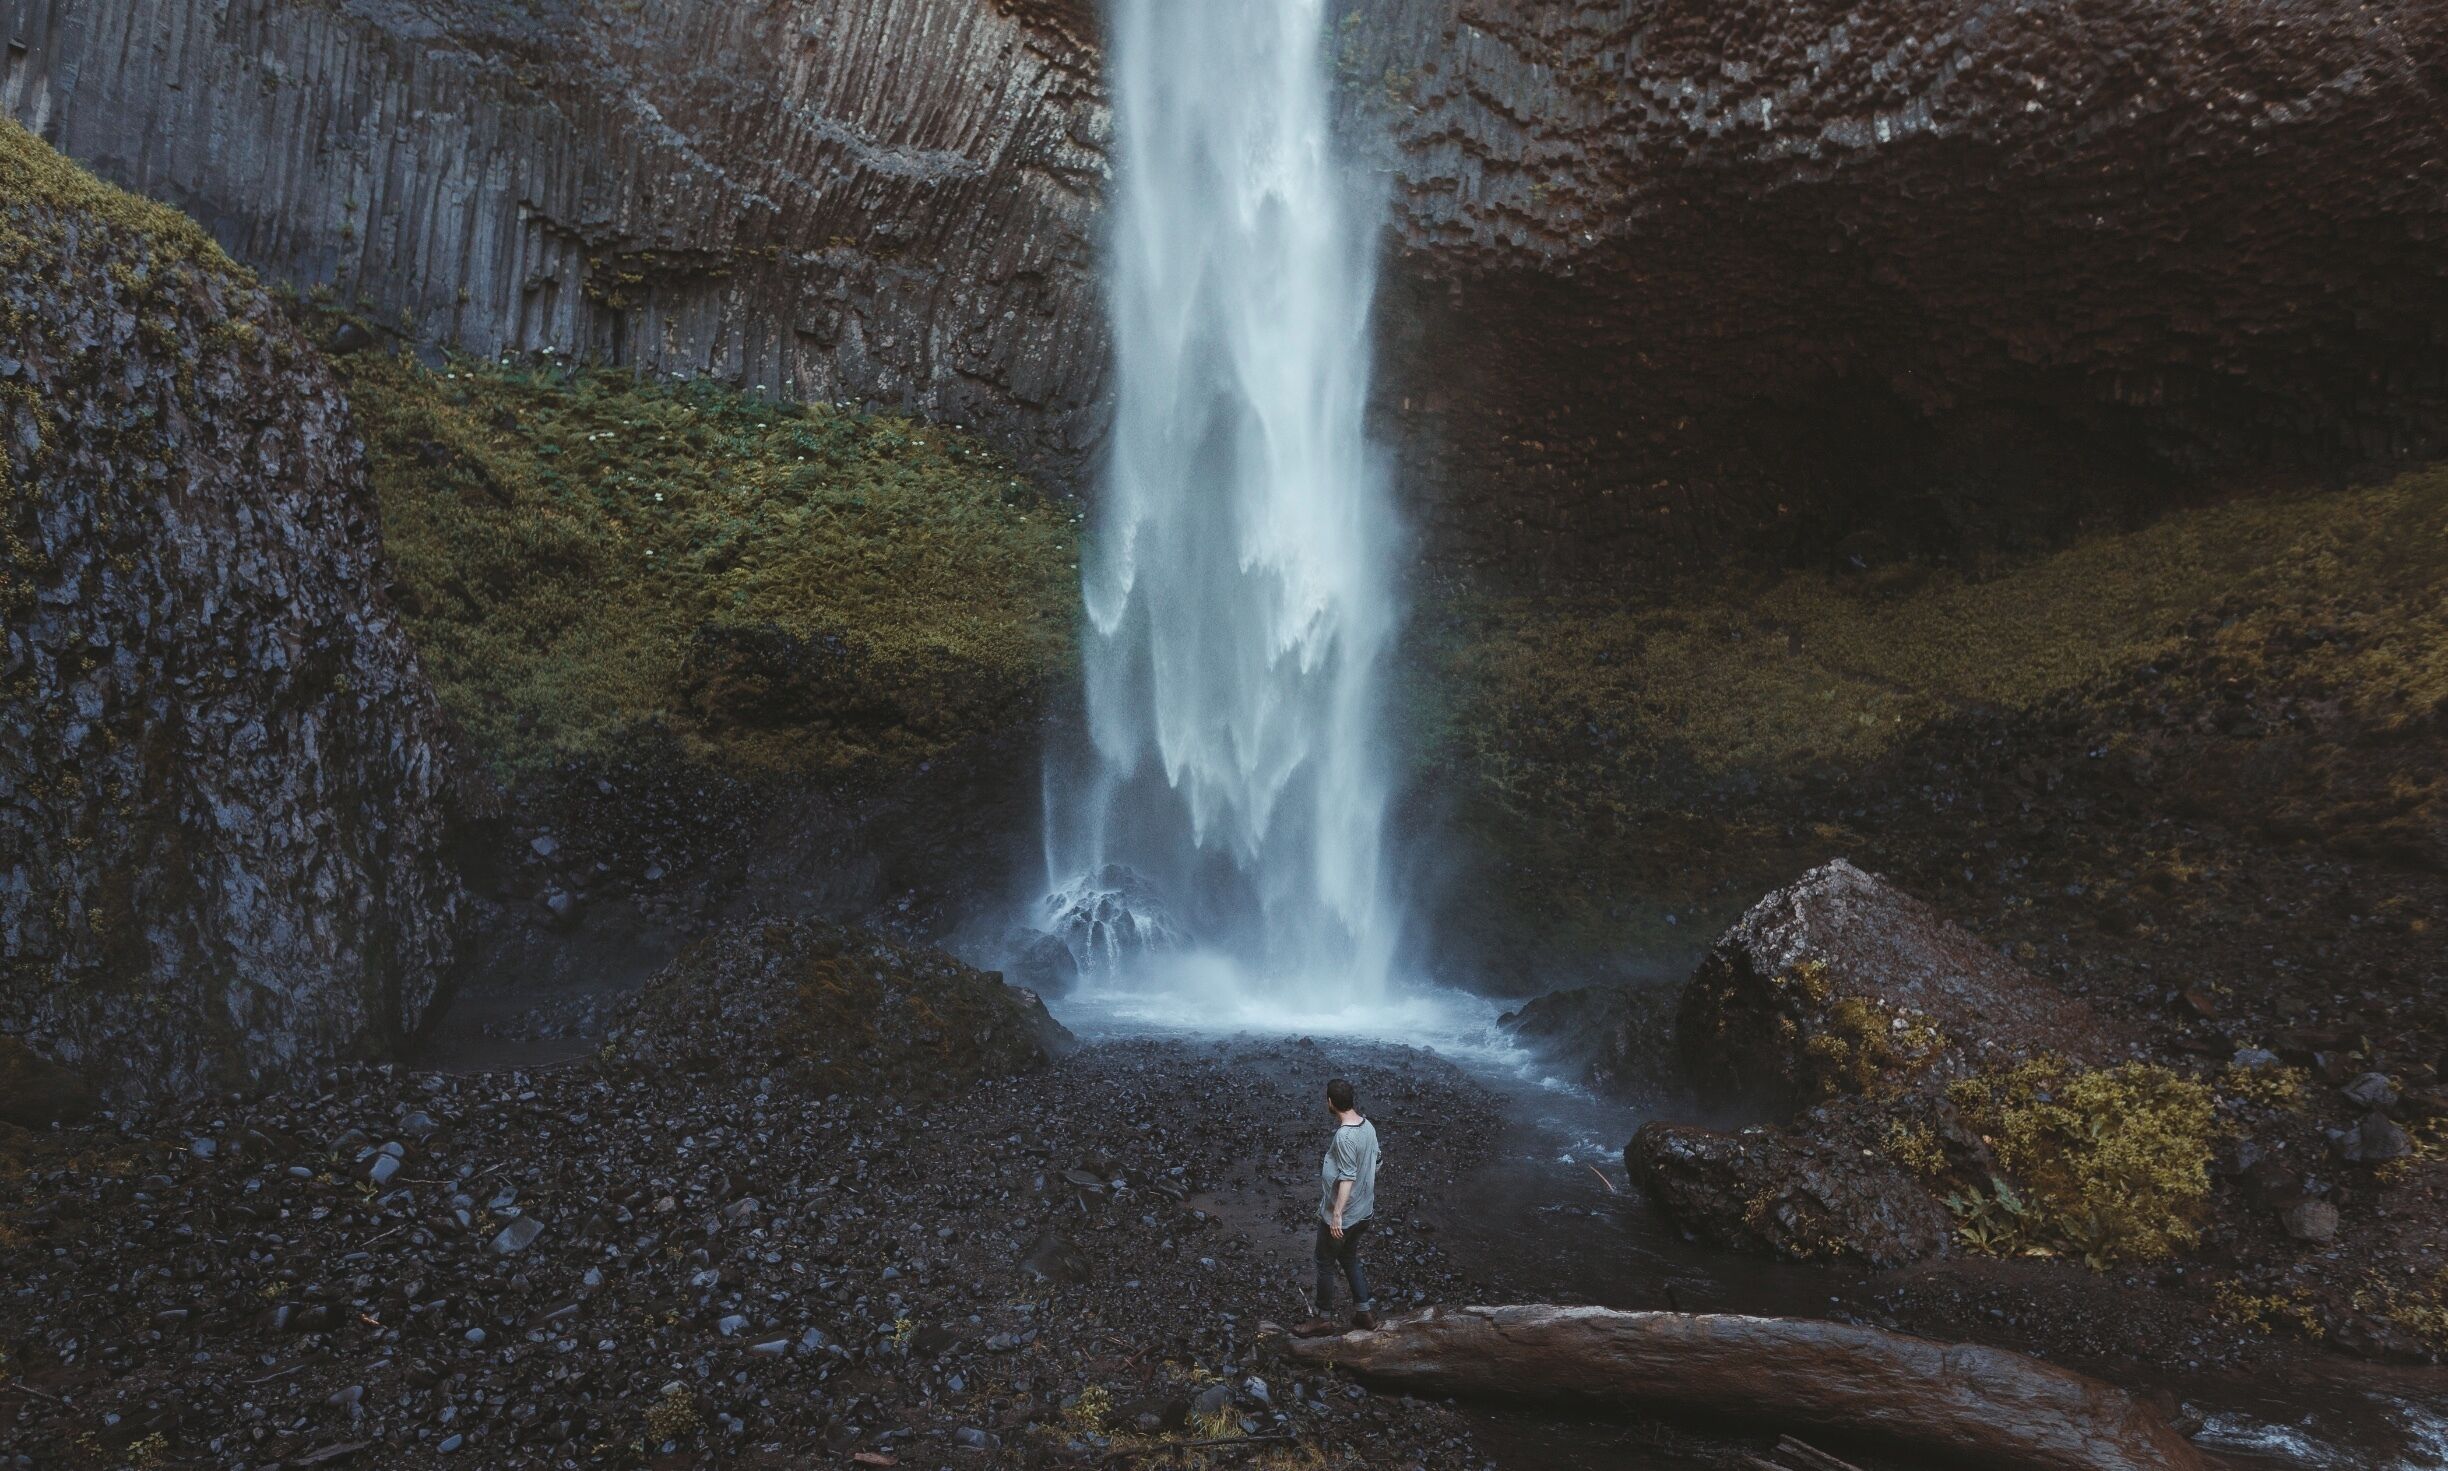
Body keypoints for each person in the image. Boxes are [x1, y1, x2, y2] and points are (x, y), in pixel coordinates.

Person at [1296, 1077, 1380, 1335]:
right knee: (1349, 1257)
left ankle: (1323, 1318)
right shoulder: (1368, 1126)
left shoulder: (1345, 1137)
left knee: (1324, 1262)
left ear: (1330, 1103)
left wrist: (1336, 1215)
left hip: (1345, 1215)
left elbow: (1347, 1177)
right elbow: (1377, 1161)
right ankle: (1364, 1312)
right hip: (1364, 1212)